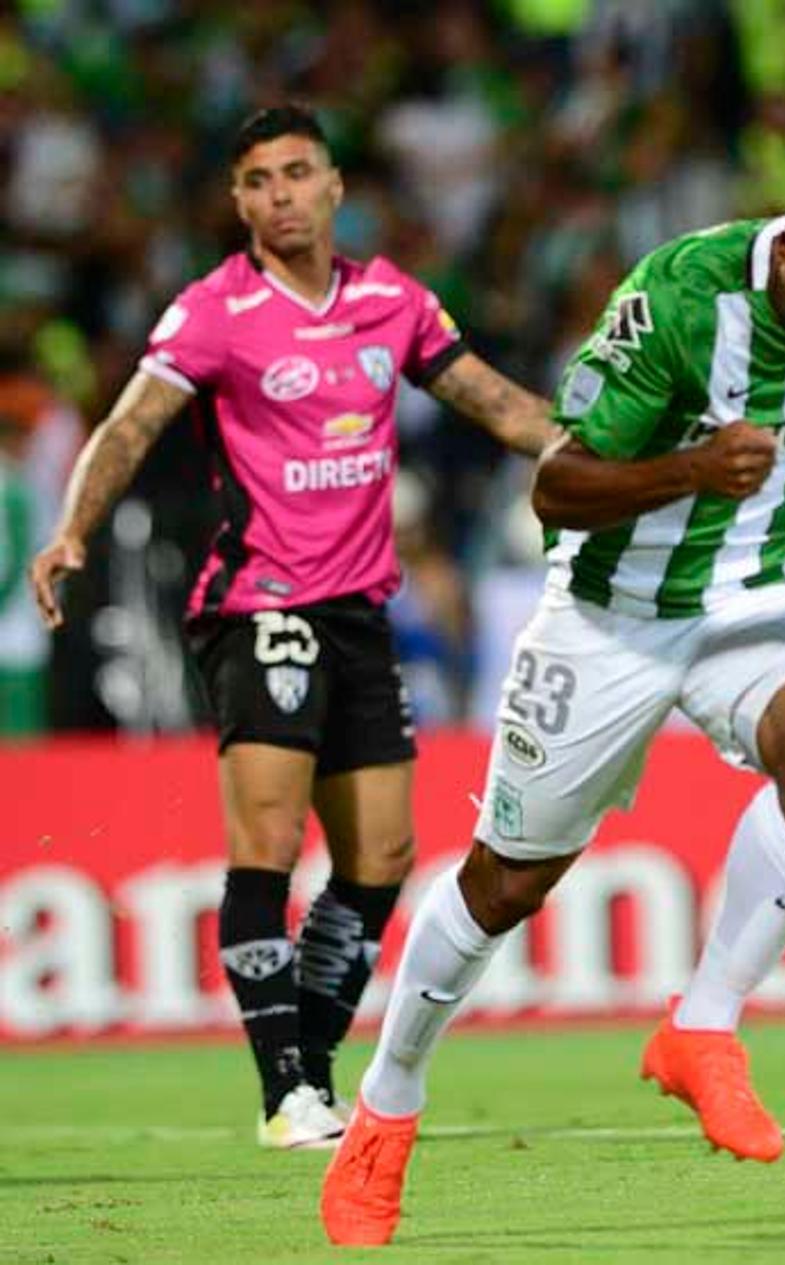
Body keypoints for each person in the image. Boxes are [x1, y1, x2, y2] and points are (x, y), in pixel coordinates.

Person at [318, 174, 785, 1247]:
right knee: (508, 880)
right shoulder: (679, 300)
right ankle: (388, 1102)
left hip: (767, 595)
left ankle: (701, 1026)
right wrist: (693, 468)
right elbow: (558, 486)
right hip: (612, 616)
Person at [27, 106, 559, 1149]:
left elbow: (500, 405)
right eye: (258, 179)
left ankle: (311, 1069)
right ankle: (283, 1090)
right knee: (269, 838)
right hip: (258, 603)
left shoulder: (389, 300)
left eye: (296, 172)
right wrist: (71, 532)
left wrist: (618, 454)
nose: (279, 194)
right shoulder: (215, 311)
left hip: (360, 608)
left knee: (383, 853)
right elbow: (131, 423)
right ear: (239, 201)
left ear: (335, 185)